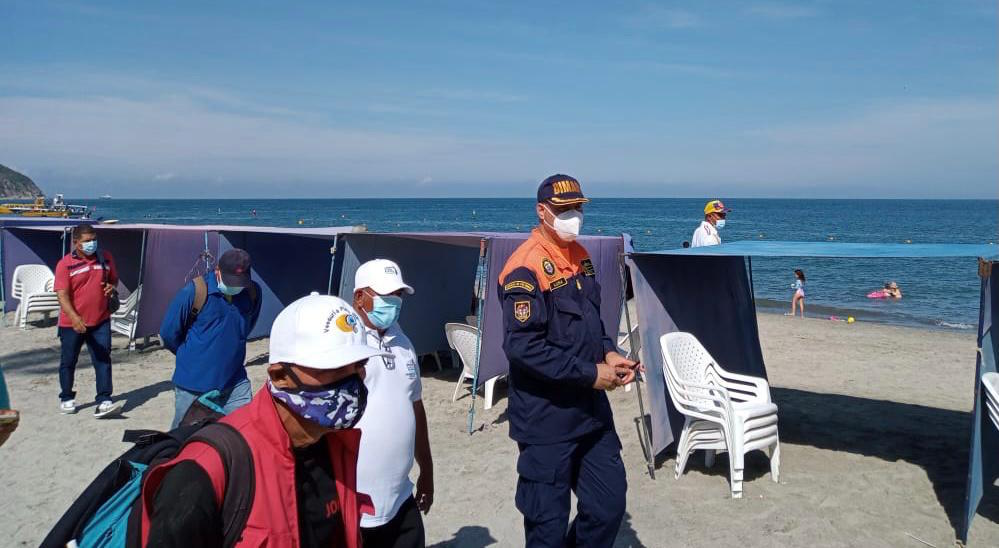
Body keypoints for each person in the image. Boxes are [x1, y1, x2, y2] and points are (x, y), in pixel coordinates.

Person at [141, 294, 388, 547]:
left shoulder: (337, 446)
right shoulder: (205, 468)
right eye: (334, 367)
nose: (353, 381)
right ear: (280, 376)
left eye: (359, 365)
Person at [499, 174, 637, 547]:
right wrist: (591, 373)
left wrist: (609, 352)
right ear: (542, 212)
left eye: (577, 208)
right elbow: (523, 348)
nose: (573, 215)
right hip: (546, 420)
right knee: (547, 526)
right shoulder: (523, 268)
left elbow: (593, 320)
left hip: (591, 413)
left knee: (608, 506)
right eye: (564, 210)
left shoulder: (582, 257)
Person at [351, 259, 433, 548]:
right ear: (359, 297)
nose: (394, 303)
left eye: (398, 296)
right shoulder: (346, 345)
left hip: (401, 497)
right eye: (386, 296)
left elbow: (415, 407)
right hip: (356, 504)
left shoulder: (403, 342)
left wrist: (427, 470)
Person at [159, 249, 262, 428]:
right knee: (185, 438)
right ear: (217, 271)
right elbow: (168, 334)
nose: (236, 286)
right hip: (194, 384)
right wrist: (192, 355)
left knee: (244, 432)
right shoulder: (194, 292)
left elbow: (245, 327)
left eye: (240, 282)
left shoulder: (252, 292)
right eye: (231, 281)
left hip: (235, 382)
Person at [53, 223, 122, 418]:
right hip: (72, 323)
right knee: (68, 361)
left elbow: (114, 279)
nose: (92, 244)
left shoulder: (106, 257)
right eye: (87, 241)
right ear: (76, 243)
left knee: (103, 360)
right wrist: (74, 318)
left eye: (94, 240)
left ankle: (104, 400)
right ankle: (66, 397)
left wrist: (111, 286)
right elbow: (62, 295)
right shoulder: (65, 264)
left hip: (100, 320)